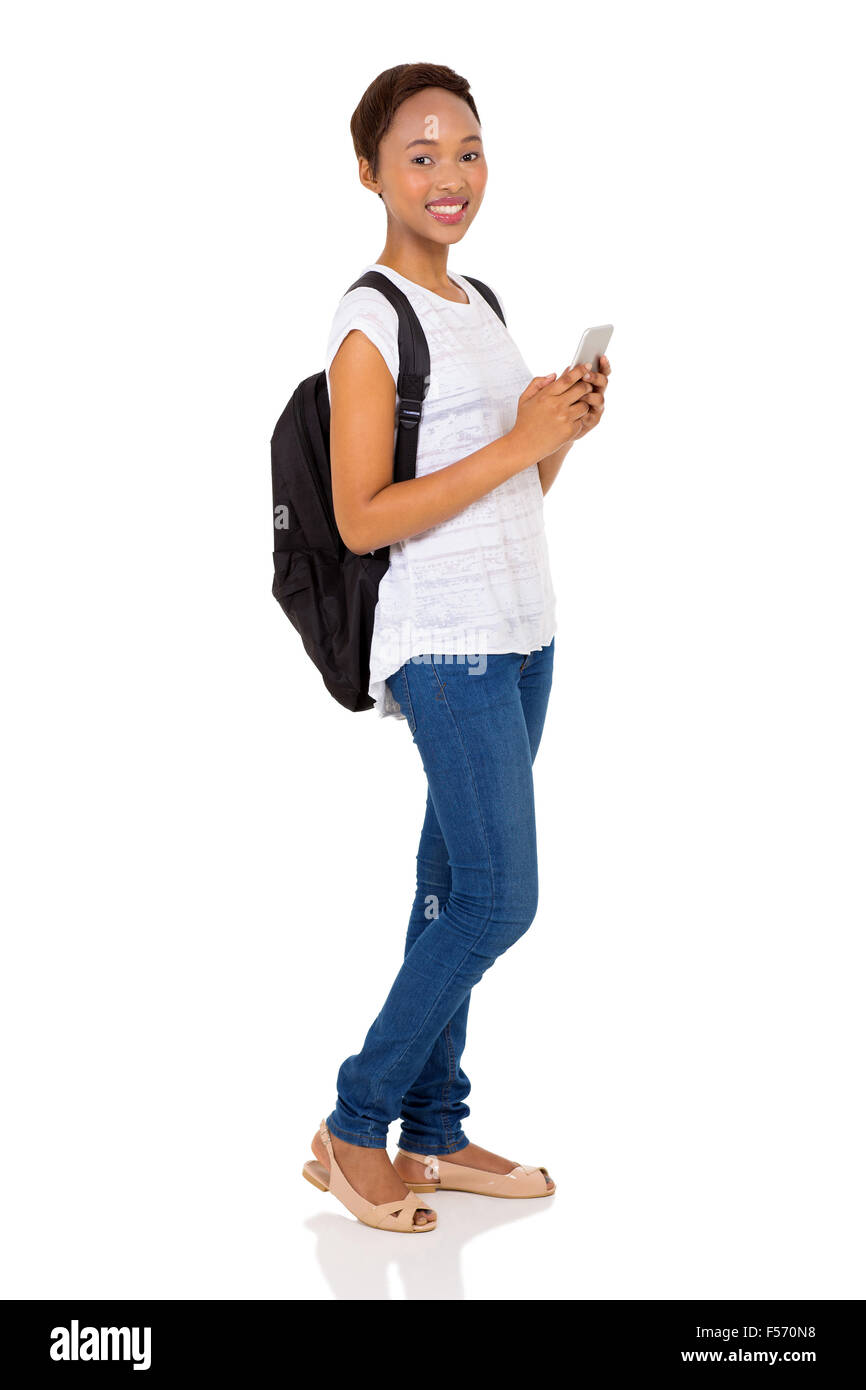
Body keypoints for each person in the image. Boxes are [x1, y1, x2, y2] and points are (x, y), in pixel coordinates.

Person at [300, 62, 610, 1233]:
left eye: (466, 150)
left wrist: (561, 431)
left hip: (523, 634)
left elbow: (510, 485)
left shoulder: (475, 300)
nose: (449, 176)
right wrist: (516, 439)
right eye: (420, 154)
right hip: (447, 648)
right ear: (369, 171)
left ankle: (430, 1131)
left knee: (446, 890)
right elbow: (360, 514)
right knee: (494, 898)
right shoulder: (369, 320)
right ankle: (352, 1119)